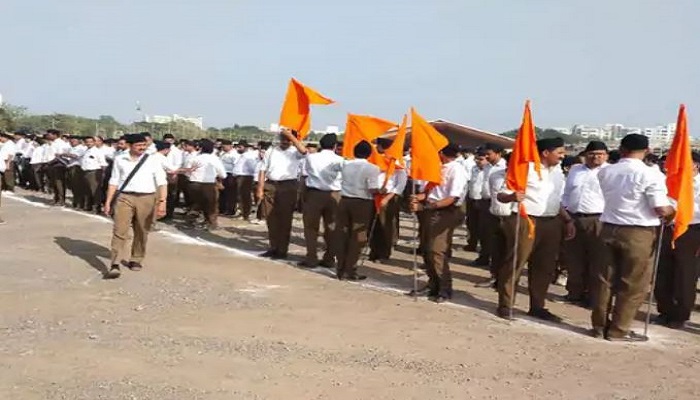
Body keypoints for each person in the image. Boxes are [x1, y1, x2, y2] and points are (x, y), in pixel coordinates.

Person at [592, 134, 674, 341]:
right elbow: (661, 208)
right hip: (638, 232)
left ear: (621, 149)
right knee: (633, 283)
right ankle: (619, 329)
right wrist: (673, 211)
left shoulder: (606, 171)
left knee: (604, 281)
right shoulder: (650, 174)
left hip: (608, 227)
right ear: (646, 151)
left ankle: (599, 326)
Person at [496, 137, 575, 322]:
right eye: (559, 152)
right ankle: (506, 304)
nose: (562, 156)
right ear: (545, 153)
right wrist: (512, 197)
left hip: (551, 222)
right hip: (526, 220)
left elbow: (555, 200)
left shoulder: (558, 172)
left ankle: (537, 306)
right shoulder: (524, 169)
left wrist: (567, 220)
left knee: (545, 266)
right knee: (516, 262)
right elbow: (501, 194)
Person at [409, 143, 468, 302]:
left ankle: (444, 288)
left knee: (437, 251)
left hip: (444, 213)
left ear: (441, 153)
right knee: (426, 249)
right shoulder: (438, 167)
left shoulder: (456, 170)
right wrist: (418, 197)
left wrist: (425, 206)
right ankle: (432, 284)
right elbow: (432, 192)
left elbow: (452, 198)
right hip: (430, 210)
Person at [103, 134, 167, 279]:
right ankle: (115, 263)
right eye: (138, 145)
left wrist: (162, 202)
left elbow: (162, 182)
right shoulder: (120, 159)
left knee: (141, 230)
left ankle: (136, 258)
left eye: (144, 145)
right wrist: (108, 201)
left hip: (147, 198)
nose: (142, 148)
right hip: (125, 197)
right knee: (120, 230)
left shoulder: (153, 160)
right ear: (129, 145)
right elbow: (114, 181)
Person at [654, 151, 700, 330]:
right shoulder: (669, 181)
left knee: (685, 274)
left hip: (691, 231)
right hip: (667, 228)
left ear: (695, 165)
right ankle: (664, 311)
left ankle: (680, 315)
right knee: (663, 271)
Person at [560, 141, 608, 306]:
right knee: (574, 258)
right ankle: (574, 293)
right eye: (591, 154)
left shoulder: (610, 172)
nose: (595, 157)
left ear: (606, 156)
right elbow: (566, 194)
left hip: (599, 219)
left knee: (597, 260)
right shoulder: (576, 170)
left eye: (600, 154)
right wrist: (566, 214)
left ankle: (593, 297)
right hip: (574, 218)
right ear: (585, 155)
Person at [257, 129, 308, 259]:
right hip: (271, 185)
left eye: (288, 140)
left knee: (285, 219)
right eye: (283, 139)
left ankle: (282, 250)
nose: (285, 142)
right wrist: (260, 188)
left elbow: (304, 151)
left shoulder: (295, 152)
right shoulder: (271, 151)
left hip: (288, 186)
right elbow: (262, 170)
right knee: (271, 219)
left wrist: (291, 136)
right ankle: (273, 247)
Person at [335, 140, 381, 281]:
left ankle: (340, 268)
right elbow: (372, 189)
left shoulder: (346, 165)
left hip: (345, 200)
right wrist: (382, 190)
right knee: (358, 237)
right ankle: (349, 269)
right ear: (369, 154)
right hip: (362, 202)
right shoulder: (373, 168)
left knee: (343, 235)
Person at [299, 133, 343, 268]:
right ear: (334, 146)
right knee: (332, 228)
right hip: (334, 194)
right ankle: (329, 258)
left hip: (314, 193)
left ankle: (311, 257)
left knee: (311, 227)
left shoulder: (311, 157)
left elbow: (304, 175)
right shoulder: (340, 160)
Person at [474, 143, 507, 267]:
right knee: (483, 231)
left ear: (498, 154)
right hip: (485, 202)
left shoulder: (504, 166)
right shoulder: (487, 166)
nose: (486, 156)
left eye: (489, 154)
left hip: (499, 203)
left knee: (496, 234)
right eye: (485, 154)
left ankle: (496, 262)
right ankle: (484, 256)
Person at [187, 139, 227, 230]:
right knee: (211, 205)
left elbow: (188, 171)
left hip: (193, 183)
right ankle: (211, 223)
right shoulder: (214, 158)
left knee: (198, 202)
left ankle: (193, 219)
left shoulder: (195, 158)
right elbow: (223, 174)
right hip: (208, 184)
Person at [464, 150, 487, 251]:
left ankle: (483, 247)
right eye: (476, 159)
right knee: (471, 224)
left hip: (482, 201)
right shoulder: (474, 168)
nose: (478, 161)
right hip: (472, 199)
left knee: (482, 226)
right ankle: (471, 243)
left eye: (481, 159)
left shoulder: (489, 170)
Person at [80, 136, 108, 213]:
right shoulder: (86, 151)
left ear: (94, 142)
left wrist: (102, 174)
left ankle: (96, 208)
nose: (89, 143)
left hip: (95, 172)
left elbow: (103, 164)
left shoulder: (97, 151)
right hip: (86, 172)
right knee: (87, 190)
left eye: (90, 142)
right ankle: (88, 206)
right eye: (87, 142)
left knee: (95, 191)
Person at [232, 139, 258, 221]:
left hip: (245, 177)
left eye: (240, 147)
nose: (238, 149)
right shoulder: (242, 155)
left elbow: (253, 167)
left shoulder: (248, 156)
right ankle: (242, 212)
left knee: (245, 196)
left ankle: (245, 214)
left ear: (245, 148)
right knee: (240, 196)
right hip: (240, 177)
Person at [219, 139, 239, 216]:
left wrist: (234, 177)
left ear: (230, 146)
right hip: (223, 175)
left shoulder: (234, 155)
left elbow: (236, 166)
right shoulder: (222, 154)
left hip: (231, 175)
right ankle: (222, 209)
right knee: (223, 193)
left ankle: (230, 210)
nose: (223, 148)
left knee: (230, 194)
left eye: (224, 147)